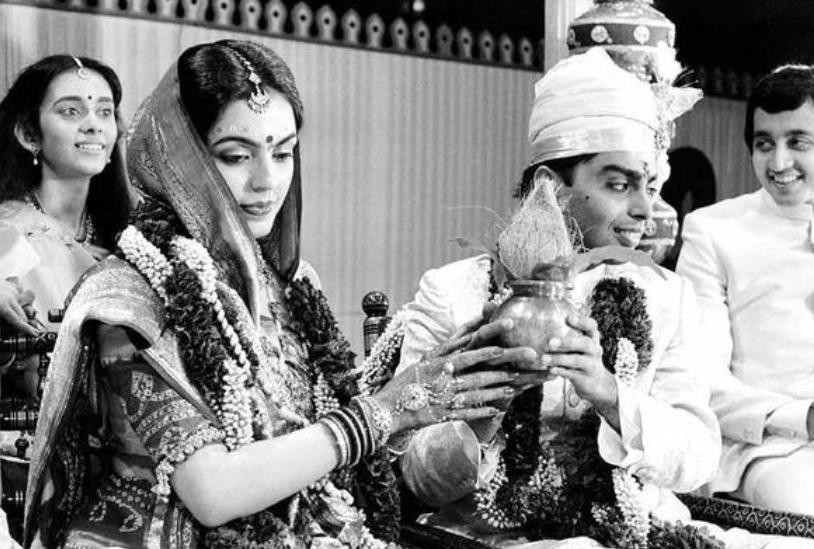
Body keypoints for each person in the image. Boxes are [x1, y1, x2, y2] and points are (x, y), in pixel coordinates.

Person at [23, 40, 533, 548]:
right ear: (179, 159)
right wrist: (381, 412)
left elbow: (328, 456)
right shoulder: (133, 293)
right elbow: (212, 492)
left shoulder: (289, 283)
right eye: (236, 156)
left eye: (283, 152)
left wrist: (457, 397)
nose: (267, 181)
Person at [397, 48, 814, 549]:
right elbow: (409, 480)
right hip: (499, 537)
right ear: (551, 186)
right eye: (620, 184)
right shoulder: (455, 293)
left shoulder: (664, 297)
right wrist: (483, 412)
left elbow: (697, 459)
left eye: (649, 186)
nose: (645, 208)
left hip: (644, 529)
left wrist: (607, 393)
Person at [677, 65, 814, 524]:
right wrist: (810, 420)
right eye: (765, 144)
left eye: (798, 142)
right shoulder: (713, 231)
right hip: (775, 448)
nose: (779, 163)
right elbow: (697, 380)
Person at [0, 55, 132, 390]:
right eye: (71, 111)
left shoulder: (134, 241)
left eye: (105, 111)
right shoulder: (7, 232)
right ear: (29, 134)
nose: (93, 125)